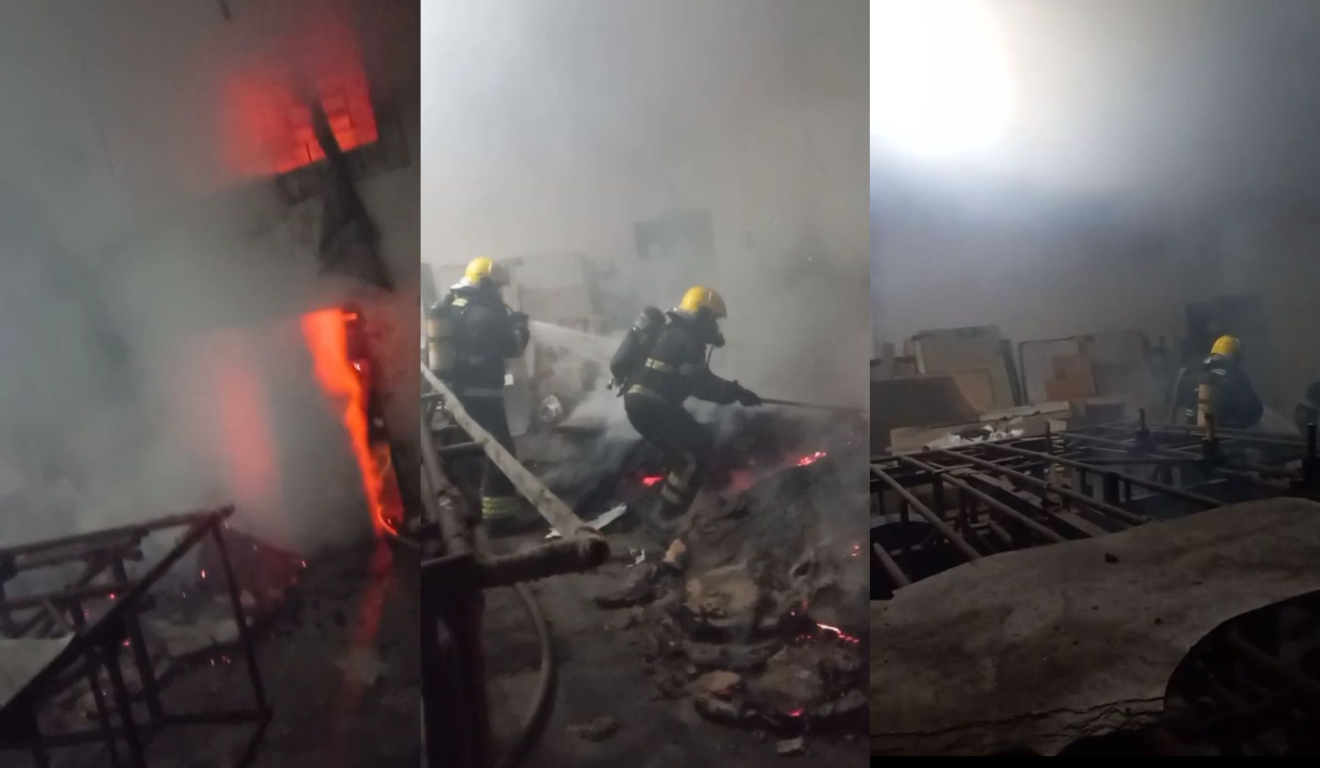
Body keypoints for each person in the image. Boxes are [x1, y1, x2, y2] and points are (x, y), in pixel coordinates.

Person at [621, 286, 761, 525]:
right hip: (651, 408)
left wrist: (736, 393)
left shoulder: (674, 333)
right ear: (702, 314)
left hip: (653, 405)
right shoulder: (685, 340)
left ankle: (703, 491)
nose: (715, 327)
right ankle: (667, 516)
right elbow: (701, 385)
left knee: (701, 438)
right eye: (714, 319)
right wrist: (737, 393)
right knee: (690, 458)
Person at [432, 256, 530, 527]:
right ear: (485, 284)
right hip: (484, 390)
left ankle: (475, 508)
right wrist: (522, 328)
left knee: (477, 449)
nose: (500, 293)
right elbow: (512, 347)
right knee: (500, 450)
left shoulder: (457, 303)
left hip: (462, 389)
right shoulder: (486, 311)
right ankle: (500, 520)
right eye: (497, 287)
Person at [1178, 335, 1264, 431]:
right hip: (1229, 437)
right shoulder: (1236, 376)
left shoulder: (1195, 375)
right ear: (1236, 357)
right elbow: (1255, 410)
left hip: (1194, 436)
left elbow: (1188, 414)